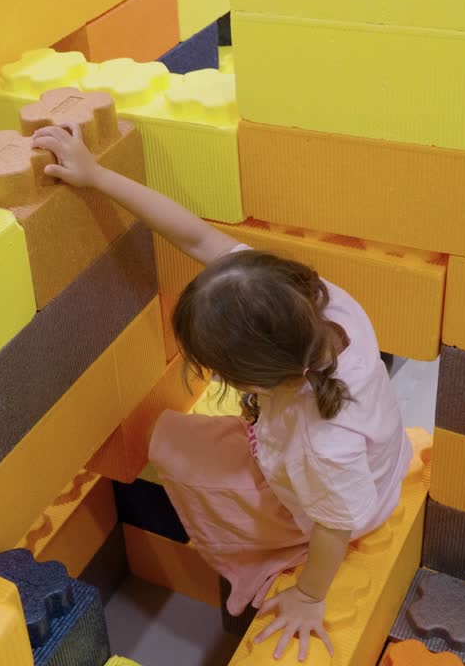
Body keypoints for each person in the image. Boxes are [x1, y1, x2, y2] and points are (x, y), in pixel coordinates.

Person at [32, 123, 412, 663]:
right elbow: (196, 237)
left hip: (344, 508)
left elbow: (336, 523)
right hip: (363, 466)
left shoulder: (323, 445)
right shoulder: (316, 305)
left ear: (254, 384)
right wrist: (97, 176)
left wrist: (309, 595)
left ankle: (271, 554)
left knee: (177, 456)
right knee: (172, 438)